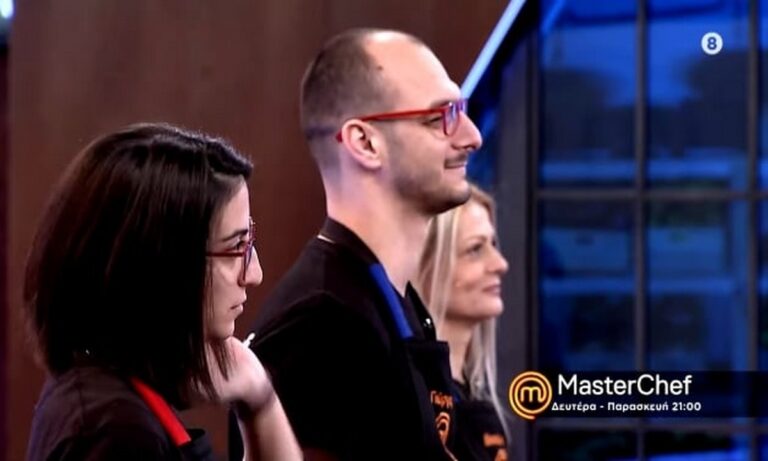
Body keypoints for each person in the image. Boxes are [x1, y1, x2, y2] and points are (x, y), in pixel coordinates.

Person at [241, 28, 483, 460]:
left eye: (461, 110)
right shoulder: (321, 324)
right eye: (441, 116)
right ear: (365, 142)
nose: (471, 136)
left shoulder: (391, 301)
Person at [23, 123, 301, 460]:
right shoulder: (117, 433)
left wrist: (258, 392)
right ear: (162, 265)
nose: (254, 274)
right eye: (235, 248)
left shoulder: (109, 397)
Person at [415, 184, 510, 461]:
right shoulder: (414, 408)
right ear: (425, 266)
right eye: (475, 249)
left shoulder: (475, 408)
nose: (500, 264)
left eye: (492, 245)